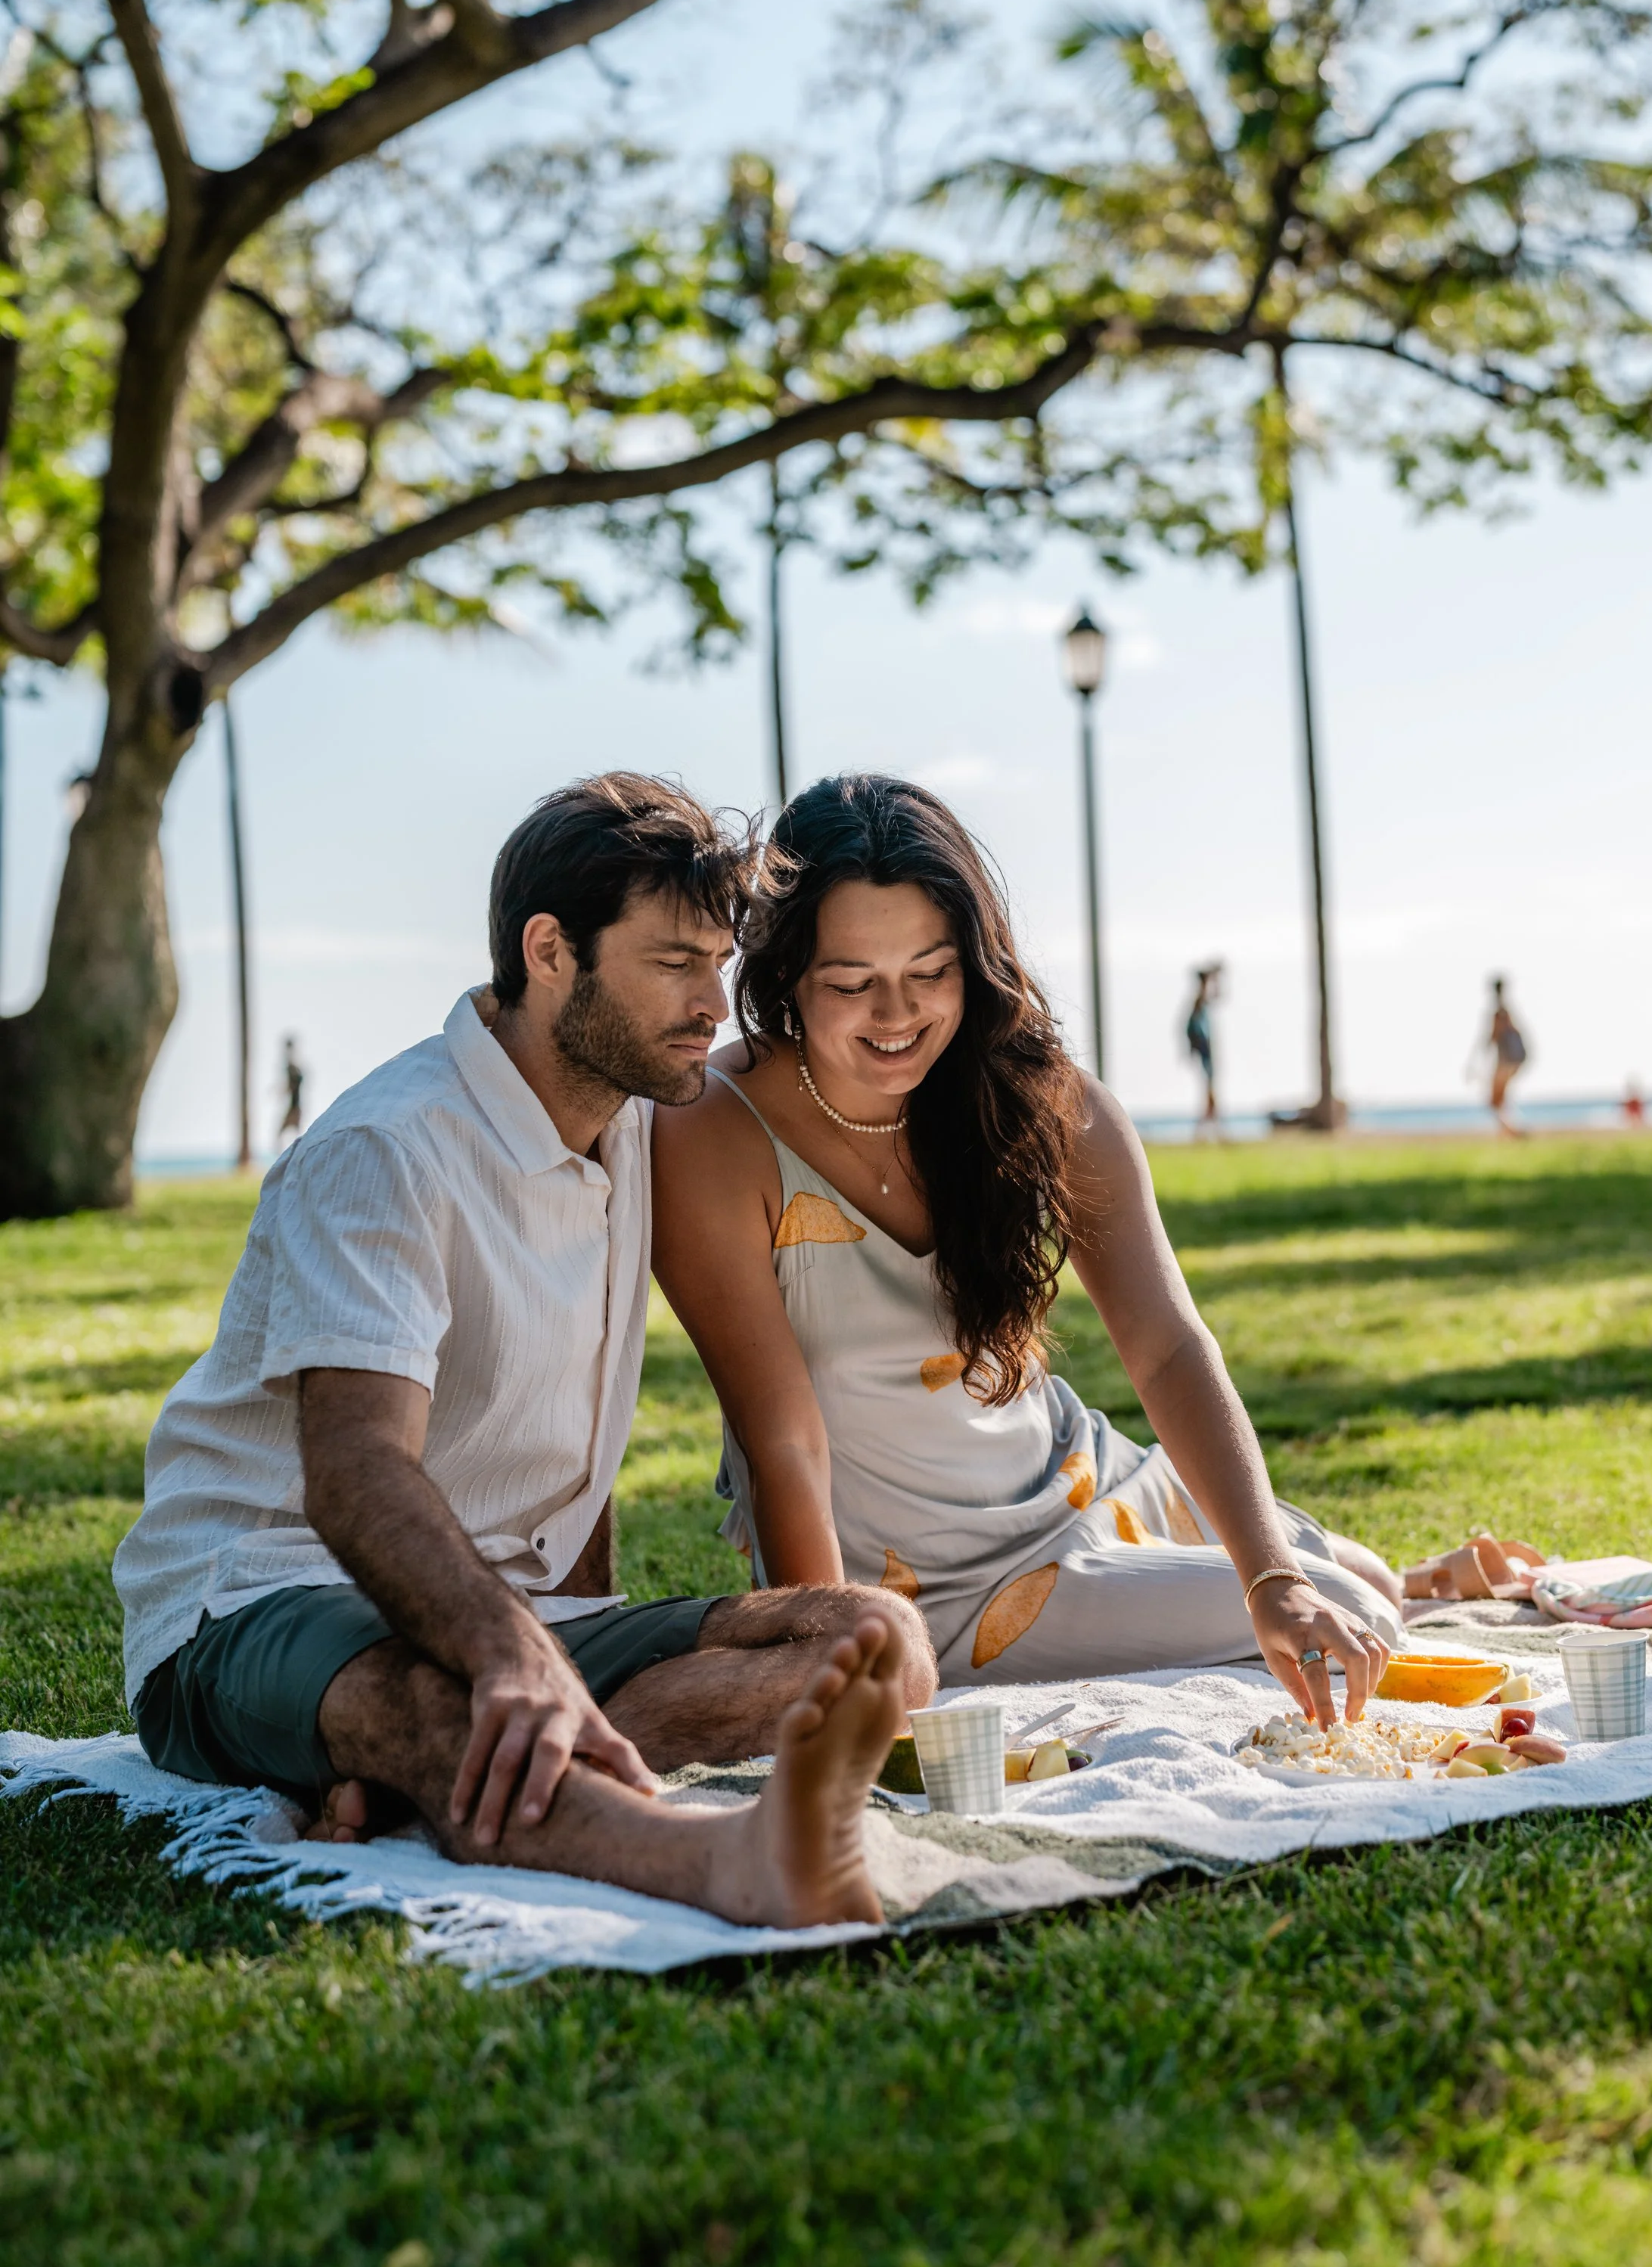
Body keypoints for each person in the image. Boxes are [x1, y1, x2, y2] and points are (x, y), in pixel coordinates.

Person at [113, 774, 933, 1930]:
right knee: (440, 1699)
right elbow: (355, 1472)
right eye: (673, 963)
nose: (713, 1001)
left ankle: (410, 1785)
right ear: (550, 950)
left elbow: (557, 1442)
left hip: (507, 1603)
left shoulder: (638, 1115)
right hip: (257, 1598)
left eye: (718, 962)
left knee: (873, 1637)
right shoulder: (385, 1149)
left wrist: (552, 1641)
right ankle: (715, 1864)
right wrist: (513, 1656)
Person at [651, 775, 1401, 1722]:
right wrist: (843, 1649)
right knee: (1357, 1607)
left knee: (1340, 1586)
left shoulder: (1045, 1101)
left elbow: (1168, 1346)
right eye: (851, 983)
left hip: (1076, 1480)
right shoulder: (710, 1131)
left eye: (931, 972)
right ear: (785, 973)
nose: (897, 1016)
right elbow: (780, 1440)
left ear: (976, 959)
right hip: (939, 1586)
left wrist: (1269, 1579)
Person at [1478, 976, 1528, 1138]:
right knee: (1499, 1100)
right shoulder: (1507, 1010)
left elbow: (1494, 1036)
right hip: (1510, 1061)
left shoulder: (1500, 1012)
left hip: (1505, 1061)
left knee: (1495, 1101)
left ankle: (1513, 1132)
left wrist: (1480, 1055)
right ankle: (1509, 1132)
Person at [1183, 964, 1223, 1139]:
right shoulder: (1198, 1003)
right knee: (1210, 1091)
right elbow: (1191, 1029)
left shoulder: (1201, 1002)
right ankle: (1210, 1131)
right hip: (1206, 1054)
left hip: (1207, 1053)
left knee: (1210, 1091)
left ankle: (1207, 1130)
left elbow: (1217, 997)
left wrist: (1214, 979)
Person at [277, 1034, 306, 1146]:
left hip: (295, 1106)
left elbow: (292, 1085)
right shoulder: (292, 1065)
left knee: (286, 1133)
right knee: (293, 1133)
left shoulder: (292, 1066)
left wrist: (283, 1091)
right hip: (295, 1105)